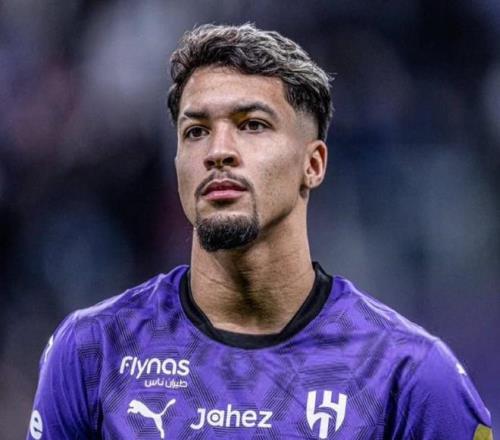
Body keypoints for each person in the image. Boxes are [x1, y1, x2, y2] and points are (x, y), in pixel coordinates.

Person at [27, 23, 492, 440]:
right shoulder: (94, 351)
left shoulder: (408, 375)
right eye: (195, 131)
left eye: (252, 125)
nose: (218, 151)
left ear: (313, 164)